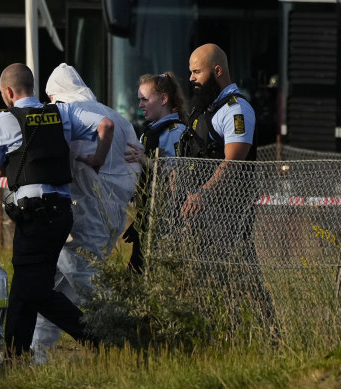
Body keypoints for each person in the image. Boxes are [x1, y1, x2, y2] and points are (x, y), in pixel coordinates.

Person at [0, 63, 114, 358]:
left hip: (34, 214)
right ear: (32, 87)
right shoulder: (62, 113)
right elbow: (105, 126)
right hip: (61, 213)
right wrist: (97, 158)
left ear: (8, 92)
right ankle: (16, 358)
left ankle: (100, 340)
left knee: (35, 291)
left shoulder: (2, 120)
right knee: (24, 285)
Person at [30, 63, 142, 362]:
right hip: (112, 214)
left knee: (83, 284)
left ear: (55, 93)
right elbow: (135, 163)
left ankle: (118, 344)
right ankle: (37, 354)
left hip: (82, 213)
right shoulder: (118, 116)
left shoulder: (69, 113)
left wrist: (95, 162)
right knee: (57, 288)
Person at [178, 43, 276, 331]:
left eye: (197, 71)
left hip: (229, 212)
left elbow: (233, 160)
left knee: (242, 273)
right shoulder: (205, 109)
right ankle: (216, 333)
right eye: (190, 72)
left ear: (217, 71)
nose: (192, 78)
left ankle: (269, 334)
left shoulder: (236, 109)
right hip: (201, 212)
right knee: (204, 277)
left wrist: (203, 193)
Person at [123, 72, 187, 273]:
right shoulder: (148, 132)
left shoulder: (176, 132)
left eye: (145, 99)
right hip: (146, 214)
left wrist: (146, 160)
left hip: (166, 218)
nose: (140, 105)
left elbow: (179, 173)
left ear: (164, 99)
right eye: (139, 99)